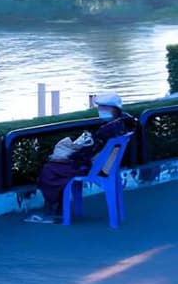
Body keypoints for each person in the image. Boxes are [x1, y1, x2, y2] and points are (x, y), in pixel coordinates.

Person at [25, 92, 136, 224]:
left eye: (104, 108)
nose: (100, 111)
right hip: (107, 167)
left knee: (49, 170)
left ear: (114, 109)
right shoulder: (124, 125)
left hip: (97, 168)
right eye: (100, 108)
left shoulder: (108, 130)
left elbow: (89, 153)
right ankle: (56, 208)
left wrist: (74, 155)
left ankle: (54, 211)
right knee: (55, 168)